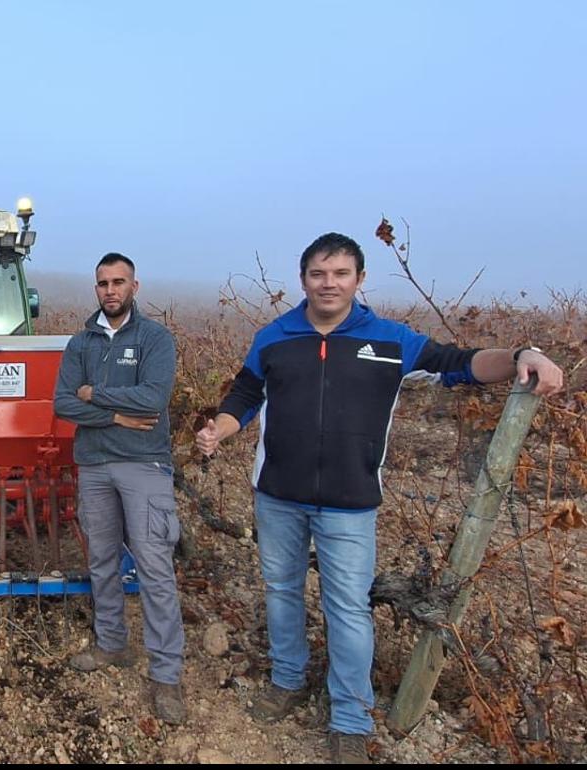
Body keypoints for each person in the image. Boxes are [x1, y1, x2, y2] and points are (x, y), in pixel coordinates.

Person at [195, 232, 563, 763]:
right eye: (318, 274)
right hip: (276, 495)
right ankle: (288, 679)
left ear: (359, 280)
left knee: (347, 609)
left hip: (350, 502)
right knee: (281, 592)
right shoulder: (273, 337)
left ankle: (349, 718)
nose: (329, 283)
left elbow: (459, 362)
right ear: (303, 280)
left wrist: (522, 353)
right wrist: (221, 430)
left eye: (340, 273)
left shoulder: (390, 340)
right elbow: (246, 394)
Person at [53, 252, 187, 725]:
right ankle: (112, 644)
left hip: (144, 464)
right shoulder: (81, 343)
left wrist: (96, 394)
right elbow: (64, 403)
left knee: (153, 566)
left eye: (119, 282)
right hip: (93, 465)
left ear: (135, 286)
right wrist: (113, 415)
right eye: (103, 283)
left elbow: (153, 398)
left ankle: (166, 675)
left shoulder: (155, 338)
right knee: (101, 561)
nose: (111, 290)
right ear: (96, 289)